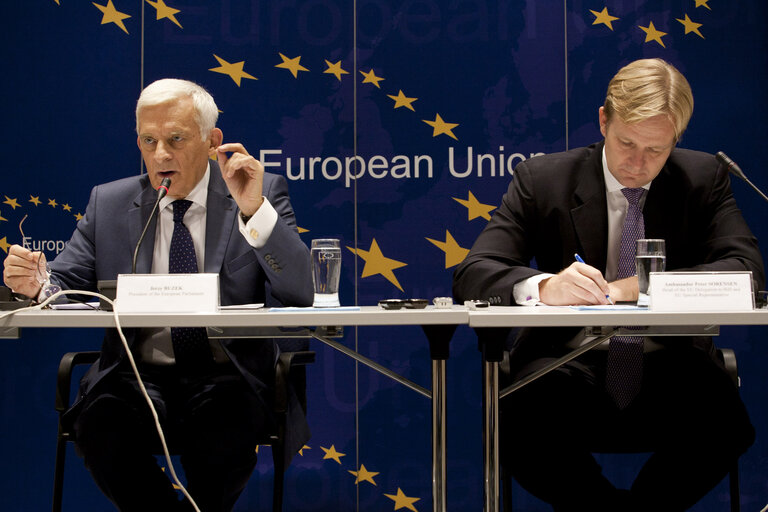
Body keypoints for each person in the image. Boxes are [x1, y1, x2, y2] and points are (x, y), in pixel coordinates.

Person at [453, 58, 765, 511]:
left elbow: (747, 272)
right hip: (565, 366)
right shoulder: (543, 180)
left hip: (670, 367)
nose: (638, 164)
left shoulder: (702, 178)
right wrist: (544, 287)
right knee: (517, 420)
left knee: (725, 422)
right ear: (604, 121)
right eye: (626, 143)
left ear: (677, 139)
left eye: (656, 150)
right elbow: (473, 272)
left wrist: (638, 287)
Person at [3, 78, 313, 511]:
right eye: (149, 141)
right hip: (134, 376)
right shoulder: (109, 203)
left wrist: (254, 211)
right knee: (100, 427)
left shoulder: (256, 191)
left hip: (226, 375)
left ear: (212, 141)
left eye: (175, 139)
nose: (161, 155)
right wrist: (36, 283)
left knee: (223, 433)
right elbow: (63, 282)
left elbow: (300, 291)